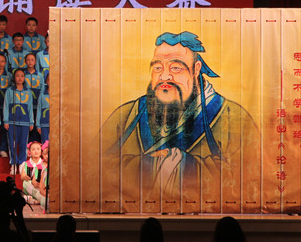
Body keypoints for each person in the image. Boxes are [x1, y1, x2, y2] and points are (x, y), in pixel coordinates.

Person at [101, 32, 258, 198]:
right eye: (157, 68)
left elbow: (249, 176)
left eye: (176, 68)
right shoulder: (126, 115)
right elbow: (93, 166)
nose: (164, 76)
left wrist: (181, 165)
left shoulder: (233, 117)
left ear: (196, 69)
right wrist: (150, 165)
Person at [4, 69, 34, 174]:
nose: (20, 78)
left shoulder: (28, 92)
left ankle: (21, 164)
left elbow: (30, 108)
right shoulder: (9, 91)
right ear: (14, 77)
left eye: (22, 76)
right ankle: (13, 164)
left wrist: (31, 122)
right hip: (12, 122)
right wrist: (6, 120)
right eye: (17, 76)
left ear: (24, 78)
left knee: (23, 144)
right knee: (12, 144)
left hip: (25, 122)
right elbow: (6, 106)